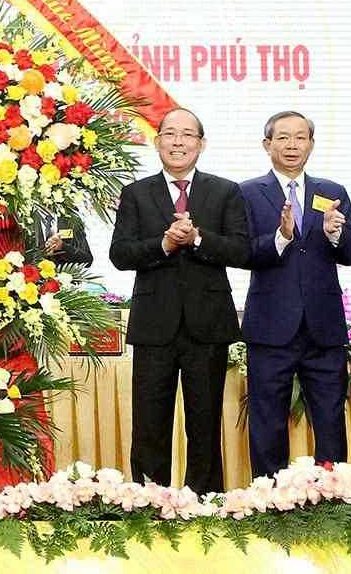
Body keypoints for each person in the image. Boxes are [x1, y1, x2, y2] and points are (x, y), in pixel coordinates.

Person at [109, 108, 249, 495]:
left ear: (201, 144)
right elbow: (120, 254)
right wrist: (165, 244)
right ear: (157, 143)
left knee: (204, 421)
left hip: (208, 325)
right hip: (155, 324)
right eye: (170, 134)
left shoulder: (225, 191)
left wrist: (198, 240)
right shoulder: (136, 192)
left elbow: (242, 250)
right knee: (150, 421)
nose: (178, 142)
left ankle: (204, 501)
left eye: (188, 135)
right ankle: (149, 500)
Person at [238, 111, 351, 479]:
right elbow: (240, 252)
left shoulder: (332, 193)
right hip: (271, 326)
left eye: (300, 138)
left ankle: (333, 496)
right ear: (267, 144)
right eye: (283, 138)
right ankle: (269, 497)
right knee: (267, 419)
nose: (292, 145)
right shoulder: (246, 193)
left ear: (311, 144)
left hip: (323, 327)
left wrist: (335, 234)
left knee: (330, 418)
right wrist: (281, 237)